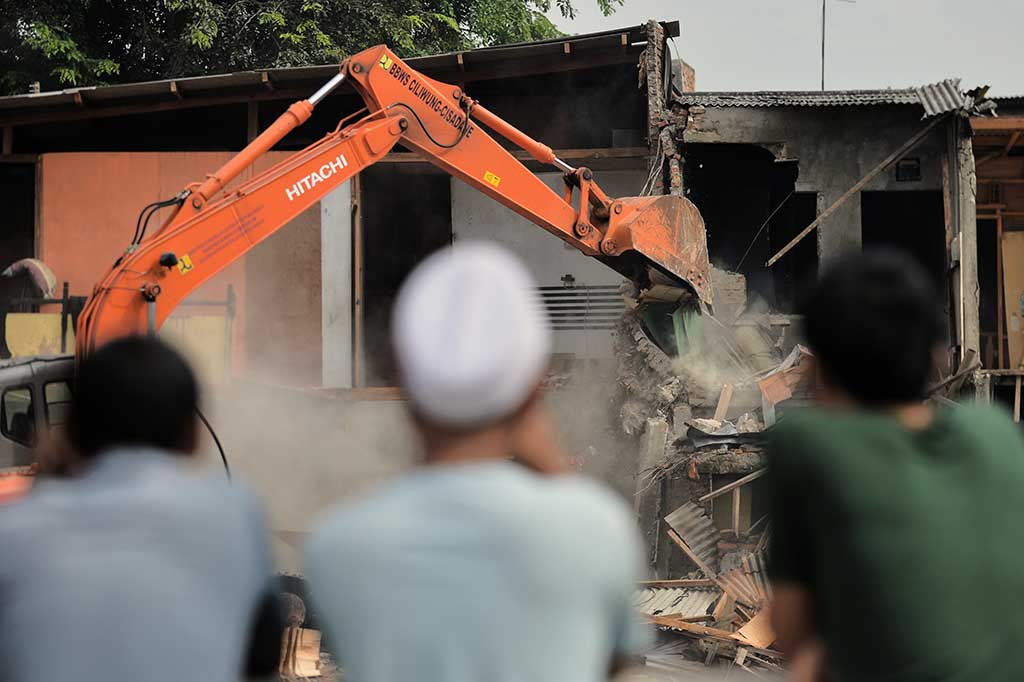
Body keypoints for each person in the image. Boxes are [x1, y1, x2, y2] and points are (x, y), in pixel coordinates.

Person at [305, 242, 649, 682]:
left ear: (400, 371)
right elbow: (613, 665)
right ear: (531, 387)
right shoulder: (596, 530)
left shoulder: (340, 548)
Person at [767, 249, 1024, 681]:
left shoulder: (804, 445)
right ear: (937, 358)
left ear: (817, 370)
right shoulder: (997, 434)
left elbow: (792, 631)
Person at [0, 336, 283, 681]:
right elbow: (263, 656)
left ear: (71, 429)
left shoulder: (14, 530)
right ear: (194, 434)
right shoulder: (235, 513)